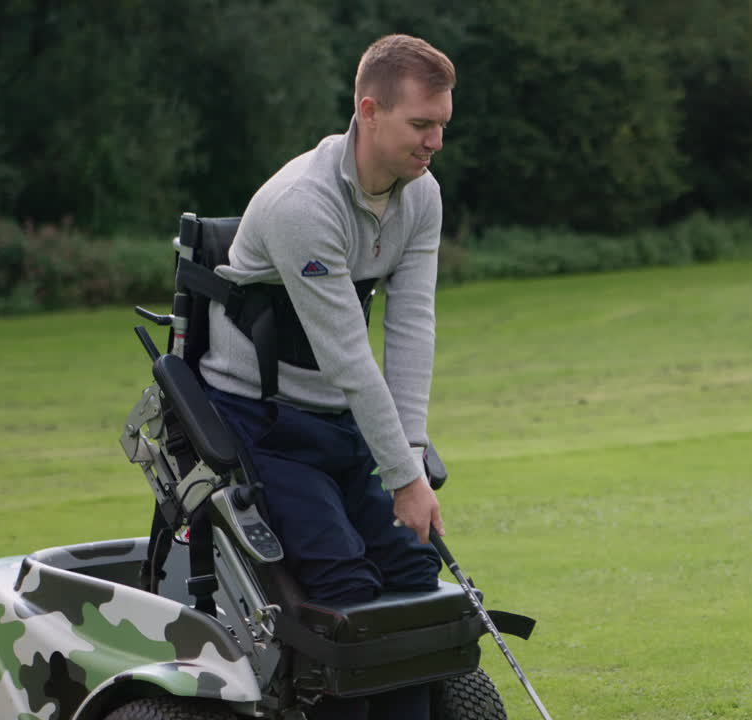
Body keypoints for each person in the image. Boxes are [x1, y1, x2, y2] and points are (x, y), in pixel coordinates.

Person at [199, 34, 455, 720]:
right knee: (345, 588)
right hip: (263, 424)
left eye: (442, 125)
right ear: (369, 112)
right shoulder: (302, 205)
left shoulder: (420, 195)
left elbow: (410, 329)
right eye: (420, 125)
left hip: (340, 421)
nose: (435, 143)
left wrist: (410, 450)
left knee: (411, 575)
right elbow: (347, 354)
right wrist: (403, 479)